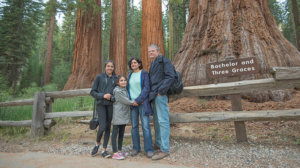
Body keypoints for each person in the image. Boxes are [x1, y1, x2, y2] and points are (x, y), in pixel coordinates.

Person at [148, 44, 175, 160]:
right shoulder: (153, 63)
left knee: (163, 120)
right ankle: (158, 143)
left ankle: (165, 149)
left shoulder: (164, 61)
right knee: (157, 121)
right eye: (149, 51)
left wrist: (161, 91)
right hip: (154, 95)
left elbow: (170, 76)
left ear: (158, 51)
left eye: (153, 51)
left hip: (160, 95)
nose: (151, 53)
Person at [127, 58, 154, 158]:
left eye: (135, 62)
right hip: (132, 104)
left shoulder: (144, 74)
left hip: (142, 103)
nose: (133, 64)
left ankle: (149, 149)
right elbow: (127, 89)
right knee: (134, 127)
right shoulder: (129, 75)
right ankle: (136, 148)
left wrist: (138, 100)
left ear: (139, 64)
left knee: (145, 127)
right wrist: (131, 101)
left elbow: (147, 88)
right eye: (131, 63)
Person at [90, 60, 117, 158]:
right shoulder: (99, 77)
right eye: (108, 66)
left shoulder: (115, 78)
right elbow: (92, 92)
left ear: (114, 68)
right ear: (105, 67)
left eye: (112, 66)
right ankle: (97, 144)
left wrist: (112, 97)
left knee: (108, 127)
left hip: (110, 106)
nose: (110, 68)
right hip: (101, 105)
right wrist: (103, 95)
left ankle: (104, 150)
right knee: (102, 127)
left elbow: (117, 92)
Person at [111, 75, 134, 160]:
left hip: (123, 114)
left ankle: (119, 150)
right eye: (121, 80)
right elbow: (125, 100)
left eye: (124, 80)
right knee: (115, 134)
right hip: (118, 114)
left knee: (121, 133)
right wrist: (134, 102)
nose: (123, 82)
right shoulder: (117, 91)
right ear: (118, 82)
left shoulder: (125, 90)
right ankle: (115, 153)